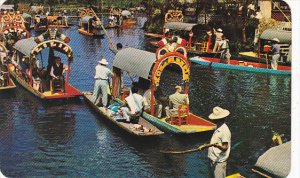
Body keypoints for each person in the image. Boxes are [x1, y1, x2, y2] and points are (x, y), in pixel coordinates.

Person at [199, 106, 231, 178]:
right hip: (212, 158)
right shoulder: (218, 127)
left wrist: (217, 146)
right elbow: (215, 142)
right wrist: (205, 146)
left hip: (219, 161)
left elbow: (225, 147)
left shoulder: (224, 130)